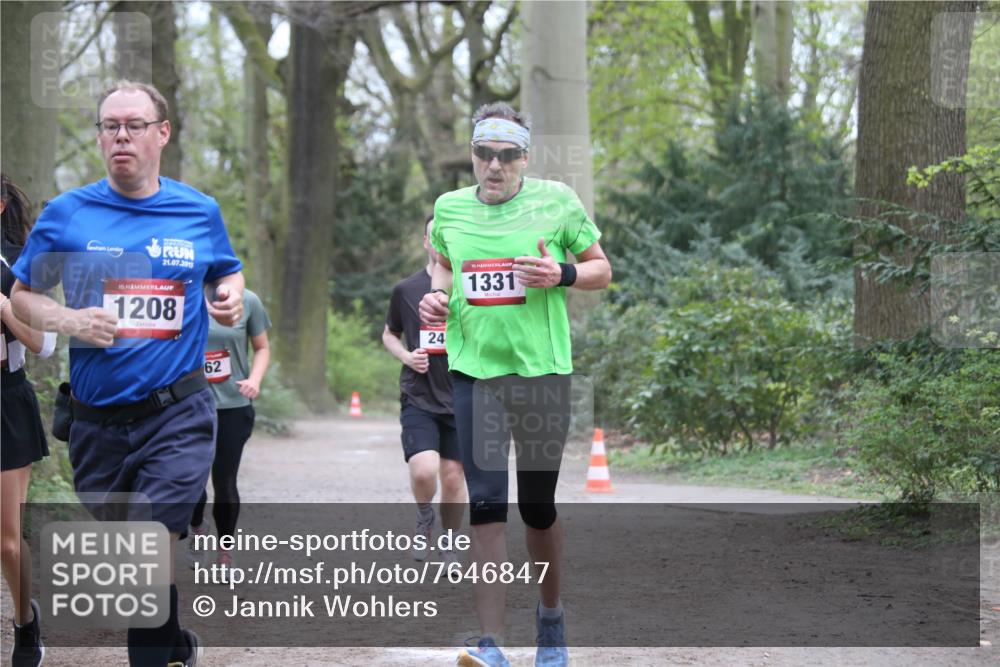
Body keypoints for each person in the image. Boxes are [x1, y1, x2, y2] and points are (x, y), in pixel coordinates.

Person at [10, 81, 244, 667]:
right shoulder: (67, 215)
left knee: (147, 546)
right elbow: (21, 298)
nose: (120, 136)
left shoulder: (198, 210)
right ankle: (176, 643)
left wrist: (228, 298)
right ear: (98, 136)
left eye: (134, 125)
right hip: (96, 423)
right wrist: (69, 319)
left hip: (178, 411)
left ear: (161, 133)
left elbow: (227, 273)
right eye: (109, 125)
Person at [419, 103, 611, 667]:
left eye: (506, 156)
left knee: (537, 506)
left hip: (542, 374)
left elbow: (600, 267)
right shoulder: (448, 208)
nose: (494, 166)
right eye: (484, 154)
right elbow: (444, 272)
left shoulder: (557, 202)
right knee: (485, 503)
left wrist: (564, 274)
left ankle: (550, 623)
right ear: (473, 155)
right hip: (475, 373)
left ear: (524, 157)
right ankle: (491, 643)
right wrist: (435, 297)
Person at [383, 216, 466, 564]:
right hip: (419, 394)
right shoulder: (406, 289)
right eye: (435, 238)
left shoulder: (465, 287)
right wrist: (405, 355)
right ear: (425, 242)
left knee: (452, 477)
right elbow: (390, 333)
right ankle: (423, 519)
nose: (439, 244)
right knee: (423, 470)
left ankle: (449, 542)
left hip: (460, 393)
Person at [1, 174, 57, 667]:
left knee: (7, 540)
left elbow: (46, 343)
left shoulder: (17, 267)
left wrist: (5, 307)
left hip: (5, 404)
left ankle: (25, 624)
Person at [187, 288, 271, 574]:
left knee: (224, 481)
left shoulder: (246, 300)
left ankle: (225, 552)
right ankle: (197, 526)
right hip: (186, 405)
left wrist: (255, 380)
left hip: (232, 406)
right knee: (189, 481)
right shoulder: (180, 293)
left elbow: (262, 347)